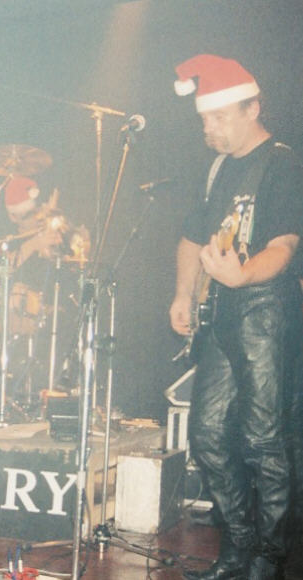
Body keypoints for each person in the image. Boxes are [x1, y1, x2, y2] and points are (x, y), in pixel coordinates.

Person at [168, 54, 303, 580]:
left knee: (264, 439)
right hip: (224, 311)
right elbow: (192, 236)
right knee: (205, 435)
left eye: (219, 116)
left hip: (266, 309)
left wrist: (242, 275)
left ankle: (268, 559)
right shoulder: (218, 168)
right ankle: (238, 546)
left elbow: (284, 248)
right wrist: (183, 294)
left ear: (253, 108)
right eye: (205, 118)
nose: (209, 128)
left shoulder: (282, 164)